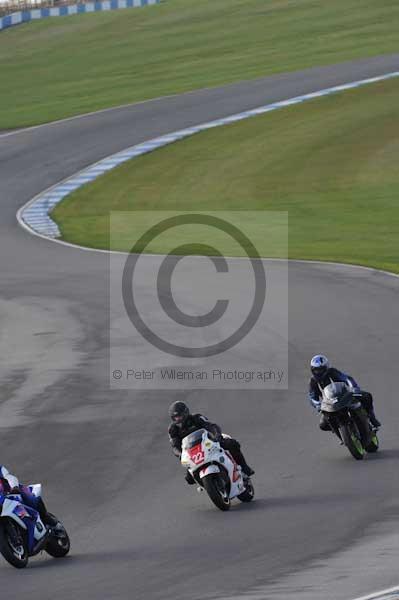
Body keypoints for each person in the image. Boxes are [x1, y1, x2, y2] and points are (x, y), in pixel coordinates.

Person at [168, 401, 254, 484]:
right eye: (176, 417)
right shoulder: (172, 429)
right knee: (189, 479)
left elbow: (211, 426)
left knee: (232, 444)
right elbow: (174, 446)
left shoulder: (197, 418)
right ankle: (207, 485)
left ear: (185, 413)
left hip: (208, 443)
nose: (178, 419)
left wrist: (217, 435)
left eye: (180, 416)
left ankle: (244, 467)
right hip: (192, 453)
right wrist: (180, 454)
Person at [308, 355, 381, 431]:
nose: (318, 372)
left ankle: (372, 418)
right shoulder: (313, 382)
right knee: (323, 425)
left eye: (321, 369)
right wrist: (318, 405)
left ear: (326, 367)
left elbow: (347, 378)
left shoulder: (332, 372)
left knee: (367, 396)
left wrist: (354, 388)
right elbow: (312, 397)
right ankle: (342, 436)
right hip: (329, 404)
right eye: (316, 370)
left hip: (344, 396)